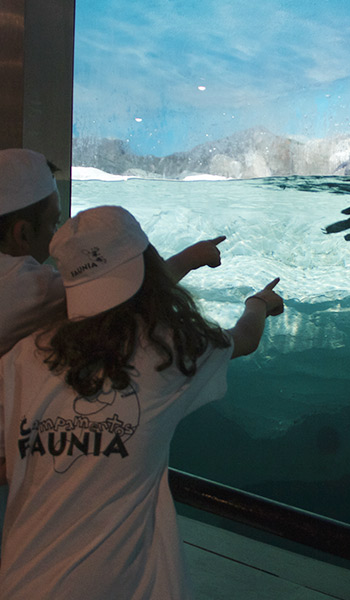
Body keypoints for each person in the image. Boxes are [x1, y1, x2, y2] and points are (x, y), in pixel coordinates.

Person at [0, 205, 284, 599]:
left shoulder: (23, 357)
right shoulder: (170, 349)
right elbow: (245, 338)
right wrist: (260, 303)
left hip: (21, 582)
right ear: (148, 267)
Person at [0, 148, 226, 356]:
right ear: (23, 234)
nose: (57, 232)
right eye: (54, 223)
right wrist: (192, 258)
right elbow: (133, 295)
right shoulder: (27, 288)